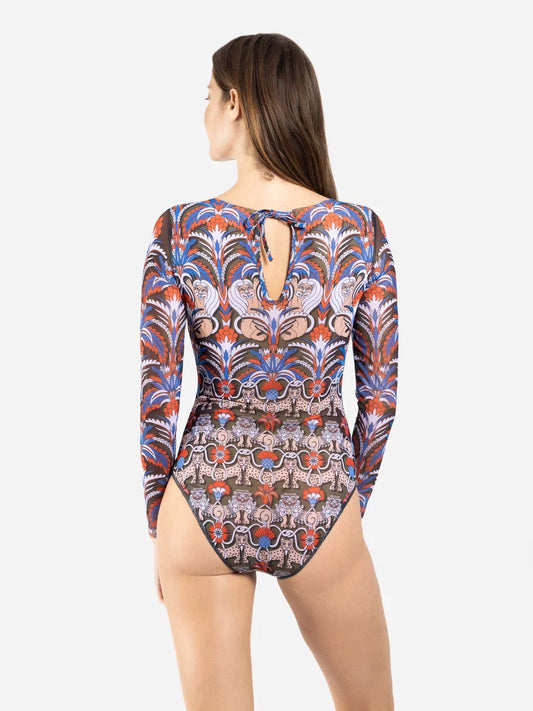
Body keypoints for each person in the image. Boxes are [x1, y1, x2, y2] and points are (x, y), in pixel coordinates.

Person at [140, 32, 399, 711]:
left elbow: (158, 396)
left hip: (204, 492)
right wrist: (348, 502)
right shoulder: (361, 230)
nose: (204, 113)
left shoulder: (179, 228)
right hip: (317, 487)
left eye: (207, 97)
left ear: (235, 101)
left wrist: (159, 522)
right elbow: (379, 396)